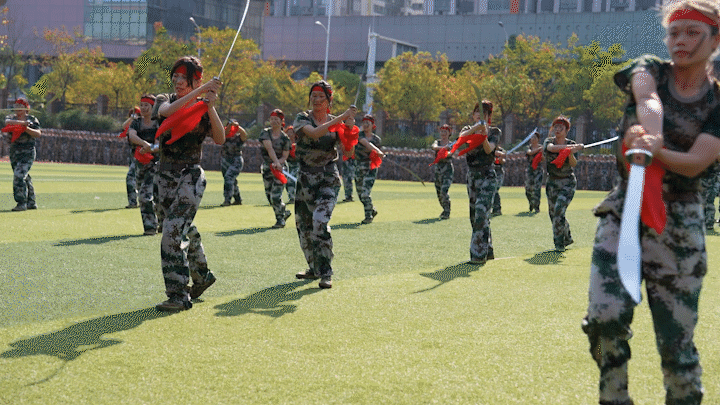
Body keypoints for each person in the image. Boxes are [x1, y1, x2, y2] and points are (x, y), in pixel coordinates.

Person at [582, 1, 720, 404]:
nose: (681, 41)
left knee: (676, 340)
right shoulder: (650, 69)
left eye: (693, 33)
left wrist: (655, 150)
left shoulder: (717, 102)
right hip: (624, 210)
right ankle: (614, 397)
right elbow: (647, 99)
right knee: (604, 319)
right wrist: (651, 132)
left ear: (715, 40)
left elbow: (696, 162)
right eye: (674, 33)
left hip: (679, 220)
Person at [152, 56, 224, 311]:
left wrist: (210, 106)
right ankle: (202, 275)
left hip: (189, 177)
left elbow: (220, 138)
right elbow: (167, 112)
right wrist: (201, 92)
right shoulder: (165, 99)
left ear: (195, 79)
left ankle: (178, 295)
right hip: (164, 176)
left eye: (184, 77)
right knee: (182, 228)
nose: (178, 81)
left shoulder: (202, 107)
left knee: (171, 232)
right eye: (176, 76)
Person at [292, 80, 357, 289]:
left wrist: (349, 131)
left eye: (321, 96)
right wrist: (342, 118)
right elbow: (314, 133)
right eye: (314, 96)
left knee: (320, 221)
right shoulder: (302, 118)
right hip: (305, 179)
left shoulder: (336, 123)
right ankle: (314, 268)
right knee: (304, 227)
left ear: (329, 100)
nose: (317, 99)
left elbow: (348, 152)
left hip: (328, 178)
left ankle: (326, 271)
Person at [459, 101, 499, 265]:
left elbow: (489, 149)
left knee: (481, 212)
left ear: (488, 117)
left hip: (487, 175)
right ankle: (487, 249)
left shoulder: (494, 132)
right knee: (475, 216)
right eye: (477, 112)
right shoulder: (467, 129)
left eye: (484, 113)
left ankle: (477, 255)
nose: (479, 115)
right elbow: (461, 139)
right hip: (472, 176)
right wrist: (476, 129)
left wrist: (483, 136)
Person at [543, 116, 583, 252]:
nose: (557, 129)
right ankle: (567, 236)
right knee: (554, 214)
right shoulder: (549, 142)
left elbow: (573, 164)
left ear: (567, 130)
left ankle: (559, 244)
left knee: (559, 209)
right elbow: (552, 149)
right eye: (556, 127)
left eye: (561, 127)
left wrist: (570, 153)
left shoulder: (571, 144)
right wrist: (570, 148)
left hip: (567, 182)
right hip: (552, 182)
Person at [127, 94, 160, 235]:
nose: (144, 108)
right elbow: (131, 135)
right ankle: (157, 223)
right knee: (143, 193)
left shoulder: (158, 123)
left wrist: (150, 148)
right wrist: (144, 143)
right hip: (140, 163)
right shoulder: (136, 122)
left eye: (147, 105)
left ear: (153, 107)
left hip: (155, 164)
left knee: (146, 196)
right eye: (142, 105)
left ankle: (151, 227)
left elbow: (160, 143)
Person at [5, 97, 41, 211]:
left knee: (19, 175)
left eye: (20, 107)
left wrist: (26, 128)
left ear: (26, 108)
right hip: (15, 152)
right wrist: (22, 123)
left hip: (27, 152)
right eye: (16, 106)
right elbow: (7, 123)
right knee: (24, 177)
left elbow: (38, 134)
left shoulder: (32, 119)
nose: (18, 109)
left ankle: (21, 203)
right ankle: (31, 201)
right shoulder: (11, 118)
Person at [259, 109, 292, 228]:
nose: (273, 121)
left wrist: (279, 163)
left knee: (275, 196)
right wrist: (275, 162)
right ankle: (283, 211)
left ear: (282, 121)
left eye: (276, 119)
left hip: (280, 169)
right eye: (272, 119)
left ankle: (280, 220)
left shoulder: (285, 138)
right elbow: (269, 149)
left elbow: (285, 156)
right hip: (268, 167)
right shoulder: (265, 133)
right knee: (269, 195)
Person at [354, 114, 385, 224]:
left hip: (371, 168)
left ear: (373, 125)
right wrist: (378, 151)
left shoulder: (377, 139)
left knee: (365, 193)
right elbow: (366, 144)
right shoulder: (359, 135)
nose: (365, 125)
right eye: (364, 122)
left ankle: (368, 216)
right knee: (360, 194)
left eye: (368, 123)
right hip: (359, 167)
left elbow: (376, 155)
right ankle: (372, 210)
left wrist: (378, 154)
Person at [220, 119, 247, 206]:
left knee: (229, 177)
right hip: (225, 160)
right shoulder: (224, 136)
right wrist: (229, 125)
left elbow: (244, 134)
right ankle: (238, 199)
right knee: (231, 180)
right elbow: (224, 132)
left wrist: (237, 126)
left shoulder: (239, 137)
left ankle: (227, 200)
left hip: (236, 161)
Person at [431, 124, 455, 219]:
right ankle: (444, 208)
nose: (443, 133)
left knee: (444, 190)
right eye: (442, 131)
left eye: (445, 131)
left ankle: (447, 211)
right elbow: (434, 147)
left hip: (447, 169)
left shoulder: (451, 144)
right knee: (439, 191)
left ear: (449, 133)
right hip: (438, 169)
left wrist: (444, 152)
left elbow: (450, 153)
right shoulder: (437, 142)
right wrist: (444, 148)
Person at [120, 107, 141, 209]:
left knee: (131, 177)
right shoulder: (131, 125)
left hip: (141, 154)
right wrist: (132, 118)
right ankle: (134, 201)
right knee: (135, 178)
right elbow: (124, 126)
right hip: (133, 154)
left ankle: (135, 201)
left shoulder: (142, 124)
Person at [525, 131, 543, 213]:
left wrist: (542, 152)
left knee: (537, 189)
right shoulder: (528, 147)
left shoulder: (542, 148)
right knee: (528, 189)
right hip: (530, 170)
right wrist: (540, 149)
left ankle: (536, 206)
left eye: (535, 137)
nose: (533, 139)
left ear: (538, 139)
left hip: (538, 170)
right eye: (532, 137)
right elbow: (530, 153)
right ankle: (531, 203)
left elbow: (544, 159)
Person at [700, 157, 720, 230]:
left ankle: (709, 223)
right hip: (704, 179)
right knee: (703, 201)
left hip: (713, 180)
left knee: (709, 201)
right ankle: (705, 222)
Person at [285, 125, 299, 204]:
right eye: (288, 132)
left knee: (292, 180)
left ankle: (294, 197)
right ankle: (291, 197)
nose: (289, 134)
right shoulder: (284, 143)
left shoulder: (298, 144)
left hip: (296, 165)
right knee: (287, 181)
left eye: (291, 132)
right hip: (287, 165)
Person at [491, 146, 506, 216]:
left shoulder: (501, 150)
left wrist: (500, 159)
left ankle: (497, 209)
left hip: (499, 173)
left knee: (495, 189)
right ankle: (494, 208)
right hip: (490, 172)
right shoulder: (489, 148)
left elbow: (503, 161)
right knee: (491, 190)